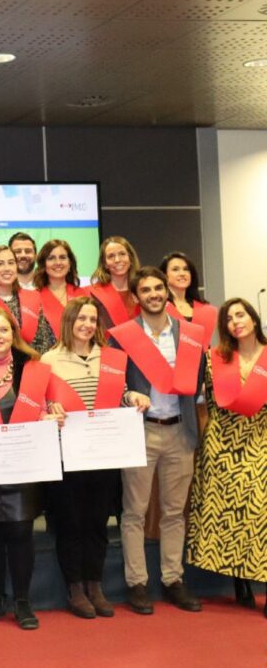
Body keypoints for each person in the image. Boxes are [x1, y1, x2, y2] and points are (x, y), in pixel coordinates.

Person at [107, 266, 207, 615]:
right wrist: (128, 393)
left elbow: (198, 383)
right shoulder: (121, 336)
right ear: (135, 298)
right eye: (145, 290)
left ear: (167, 291)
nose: (153, 294)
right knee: (133, 512)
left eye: (158, 288)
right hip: (140, 430)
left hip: (180, 430)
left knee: (174, 512)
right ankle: (137, 582)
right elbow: (112, 383)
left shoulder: (191, 333)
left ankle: (172, 579)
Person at [43, 297, 149, 618]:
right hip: (68, 453)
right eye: (81, 319)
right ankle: (75, 588)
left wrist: (133, 396)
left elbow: (121, 393)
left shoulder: (112, 357)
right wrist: (49, 409)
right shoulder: (49, 359)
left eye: (92, 319)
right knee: (71, 522)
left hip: (104, 452)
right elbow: (41, 403)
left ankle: (95, 585)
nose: (88, 324)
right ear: (69, 322)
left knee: (97, 523)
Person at [0, 307, 64, 630]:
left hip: (23, 463)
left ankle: (22, 600)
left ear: (13, 334)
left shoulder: (32, 369)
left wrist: (51, 417)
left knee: (21, 532)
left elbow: (49, 407)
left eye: (3, 330)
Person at [187, 298, 267, 616]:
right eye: (230, 317)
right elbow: (202, 401)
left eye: (241, 314)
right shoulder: (215, 359)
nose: (236, 321)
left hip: (261, 440)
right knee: (233, 510)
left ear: (253, 317)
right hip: (224, 443)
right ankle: (239, 578)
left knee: (261, 511)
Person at [0, 245, 55, 353]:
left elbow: (45, 341)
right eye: (0, 264)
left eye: (11, 263)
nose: (7, 268)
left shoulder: (34, 298)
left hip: (33, 363)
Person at [33, 239, 88, 342]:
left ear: (70, 263)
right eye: (51, 258)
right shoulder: (34, 297)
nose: (58, 263)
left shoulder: (83, 295)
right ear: (44, 265)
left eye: (62, 257)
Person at [161, 251, 217, 340]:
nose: (182, 273)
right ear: (164, 276)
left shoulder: (206, 309)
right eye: (175, 269)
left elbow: (206, 346)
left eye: (186, 269)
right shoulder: (159, 308)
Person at [90, 236, 141, 330]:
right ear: (105, 263)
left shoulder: (142, 291)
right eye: (111, 256)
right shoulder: (92, 294)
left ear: (130, 258)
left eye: (122, 254)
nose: (117, 260)